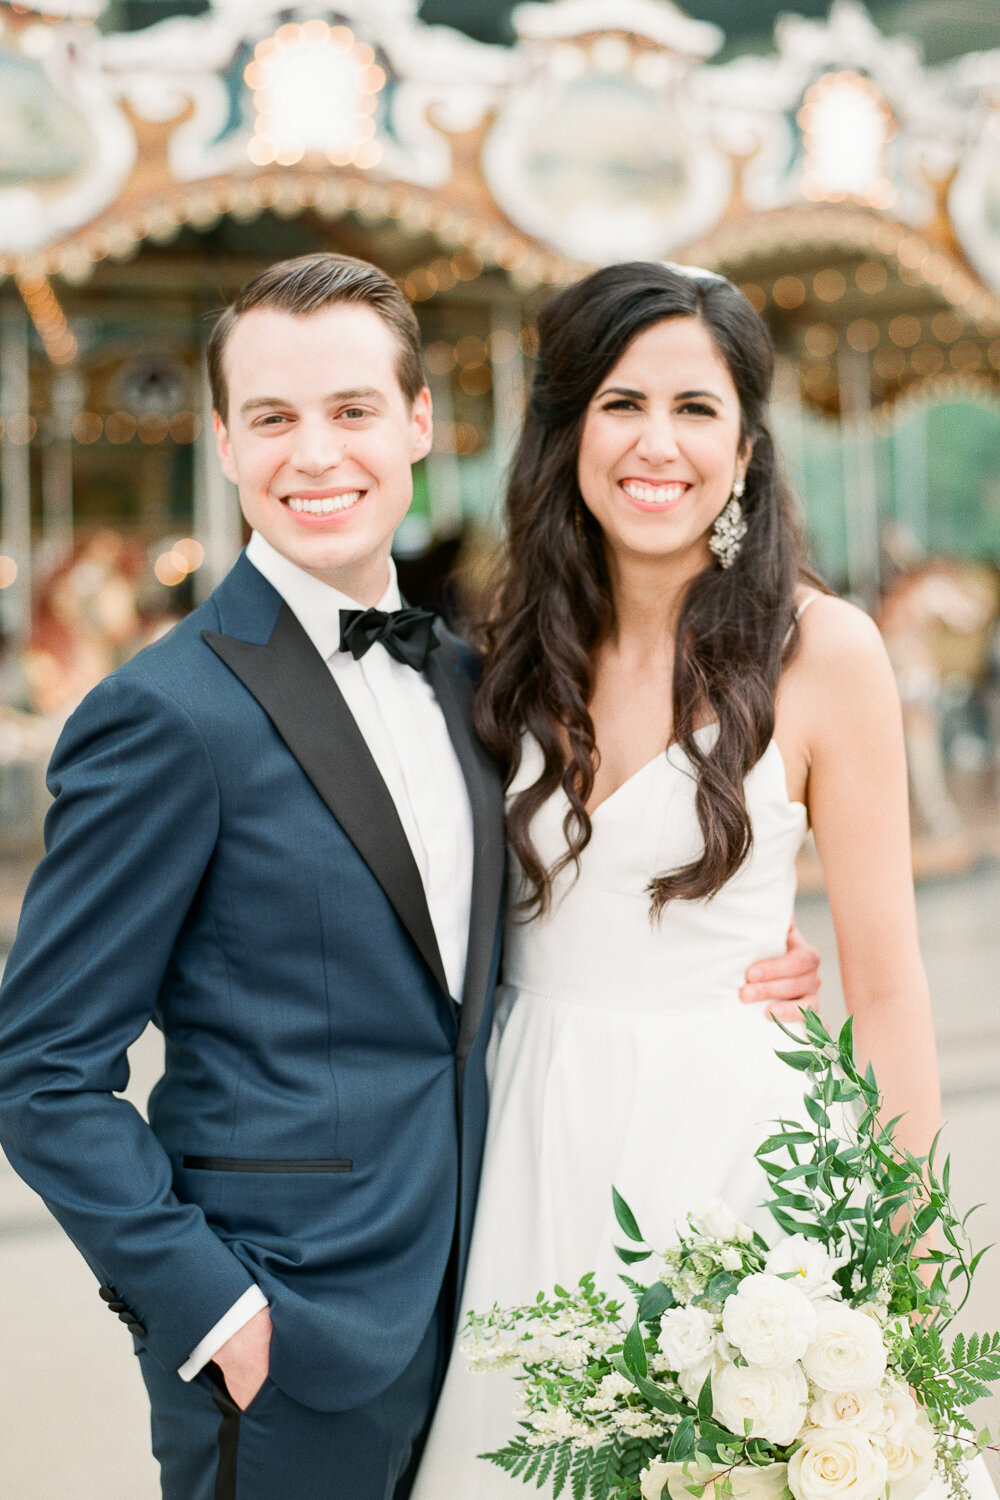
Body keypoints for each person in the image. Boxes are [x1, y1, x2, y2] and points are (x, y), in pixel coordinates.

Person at [0, 252, 818, 1500]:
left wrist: (730, 968)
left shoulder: (473, 680)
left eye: (352, 411)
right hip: (283, 1346)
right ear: (223, 440)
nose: (315, 455)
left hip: (496, 1304)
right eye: (273, 418)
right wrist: (210, 1307)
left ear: (419, 422)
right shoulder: (162, 716)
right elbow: (42, 1067)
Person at [411, 261, 944, 1496]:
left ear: (749, 444)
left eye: (695, 408)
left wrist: (903, 1274)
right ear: (567, 434)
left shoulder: (823, 650)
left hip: (727, 1148)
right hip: (526, 1135)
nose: (659, 443)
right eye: (620, 403)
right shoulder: (502, 652)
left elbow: (891, 988)